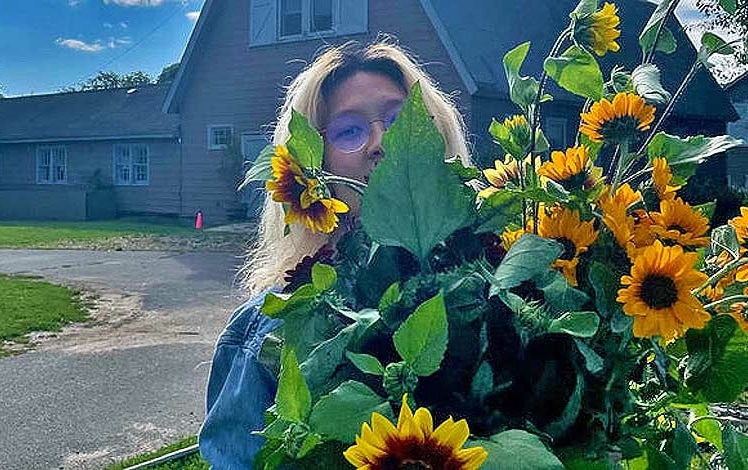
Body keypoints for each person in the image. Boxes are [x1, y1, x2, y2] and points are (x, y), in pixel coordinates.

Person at [198, 36, 471, 468]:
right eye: (349, 131)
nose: (381, 142)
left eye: (401, 120)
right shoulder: (272, 328)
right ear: (315, 170)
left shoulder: (490, 292)